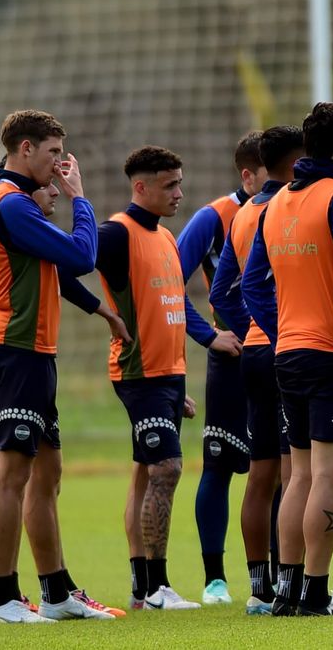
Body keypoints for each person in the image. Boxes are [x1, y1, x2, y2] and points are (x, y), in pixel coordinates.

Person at [242, 102, 333, 617]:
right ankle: (317, 594)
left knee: (299, 476)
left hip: (288, 356)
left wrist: (282, 329)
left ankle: (287, 591)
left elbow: (251, 285)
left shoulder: (276, 202)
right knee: (328, 478)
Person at [0, 110, 107, 624]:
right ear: (24, 149)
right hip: (17, 350)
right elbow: (81, 256)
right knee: (11, 474)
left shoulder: (14, 201)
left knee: (46, 474)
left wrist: (101, 311)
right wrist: (80, 199)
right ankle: (0, 597)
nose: (59, 163)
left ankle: (55, 592)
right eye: (53, 152)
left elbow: (55, 271)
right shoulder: (10, 204)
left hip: (35, 352)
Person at [96, 146, 241, 611]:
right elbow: (63, 262)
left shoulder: (164, 237)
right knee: (167, 468)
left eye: (180, 183)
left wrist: (178, 381)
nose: (179, 193)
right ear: (141, 187)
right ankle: (158, 587)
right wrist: (101, 311)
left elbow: (170, 308)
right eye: (169, 184)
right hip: (139, 374)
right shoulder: (116, 233)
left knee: (145, 472)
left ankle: (142, 589)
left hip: (166, 377)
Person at [210, 125, 305, 615]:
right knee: (297, 472)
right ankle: (296, 586)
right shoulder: (291, 206)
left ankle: (258, 588)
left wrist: (251, 329)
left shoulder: (244, 213)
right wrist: (279, 326)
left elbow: (222, 291)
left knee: (261, 473)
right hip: (291, 348)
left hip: (254, 353)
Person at [175, 131, 265, 605]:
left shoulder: (291, 209)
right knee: (219, 465)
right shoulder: (213, 218)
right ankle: (215, 580)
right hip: (231, 360)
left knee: (280, 467)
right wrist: (209, 336)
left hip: (281, 357)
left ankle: (278, 574)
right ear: (248, 175)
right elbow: (169, 281)